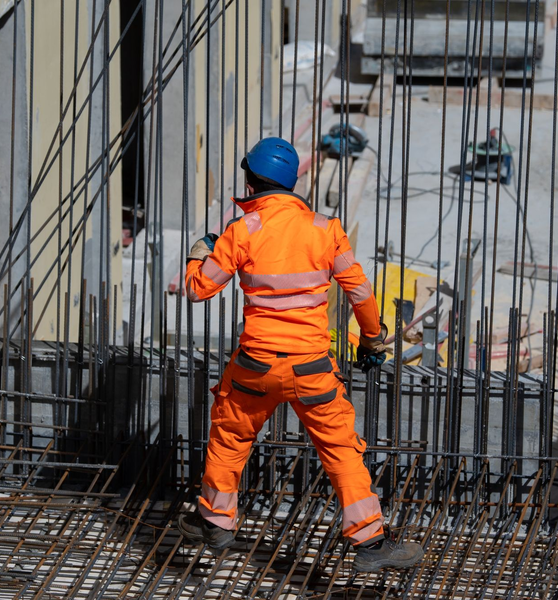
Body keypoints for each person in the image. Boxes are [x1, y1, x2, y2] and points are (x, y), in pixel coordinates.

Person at [176, 137, 424, 572]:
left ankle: (215, 520)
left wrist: (201, 251)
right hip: (312, 368)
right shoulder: (325, 229)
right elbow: (361, 293)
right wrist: (371, 340)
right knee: (341, 451)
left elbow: (198, 288)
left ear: (251, 183)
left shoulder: (241, 231)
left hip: (255, 366)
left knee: (231, 437)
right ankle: (370, 543)